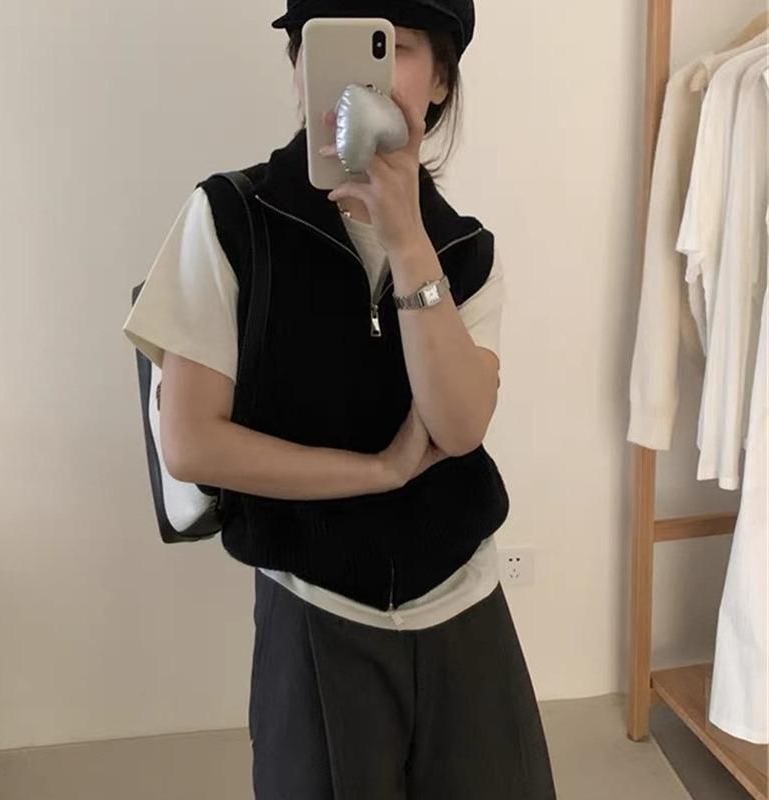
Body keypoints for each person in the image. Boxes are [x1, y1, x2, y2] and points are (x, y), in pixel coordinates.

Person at [123, 1, 557, 797]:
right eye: (330, 44)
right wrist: (378, 472)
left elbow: (460, 426)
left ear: (441, 81)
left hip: (465, 599)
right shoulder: (230, 219)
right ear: (298, 69)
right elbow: (191, 442)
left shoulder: (465, 248)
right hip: (312, 605)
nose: (365, 79)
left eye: (397, 46)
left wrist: (408, 240)